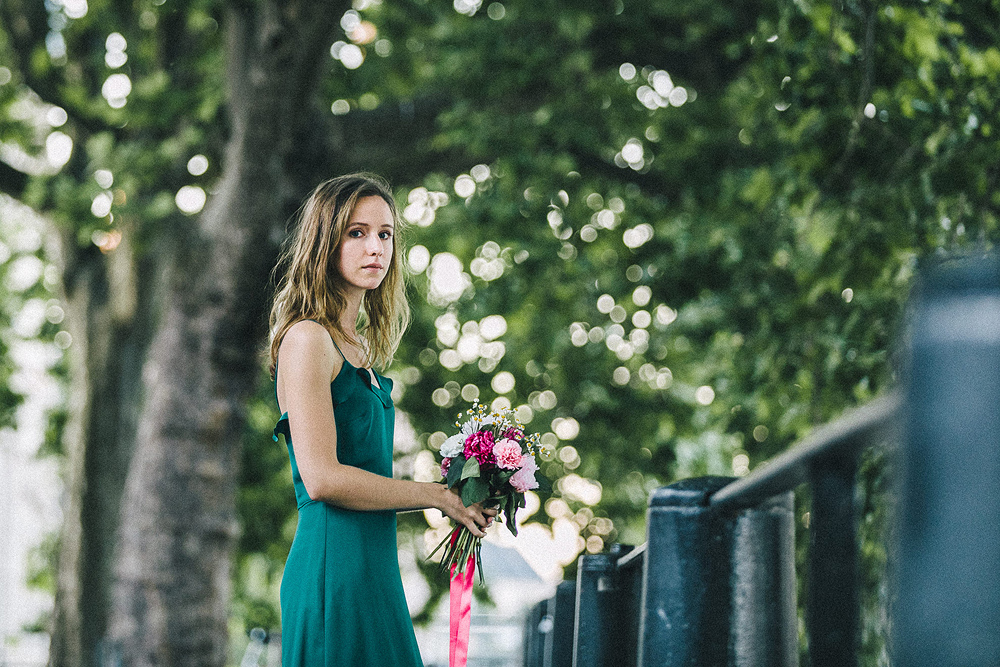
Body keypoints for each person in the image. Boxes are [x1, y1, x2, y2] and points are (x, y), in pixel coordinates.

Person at [268, 173, 496, 666]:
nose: (375, 247)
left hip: (375, 569)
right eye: (356, 232)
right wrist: (435, 497)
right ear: (324, 242)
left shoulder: (360, 349)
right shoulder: (308, 339)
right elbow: (323, 478)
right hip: (334, 569)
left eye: (385, 234)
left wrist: (465, 487)